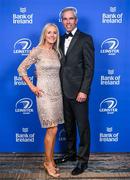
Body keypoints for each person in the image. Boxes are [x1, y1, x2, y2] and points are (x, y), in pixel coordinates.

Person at [17, 23, 64, 178]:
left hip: (57, 94)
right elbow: (21, 68)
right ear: (44, 34)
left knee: (53, 128)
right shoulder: (37, 50)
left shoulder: (56, 52)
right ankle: (49, 163)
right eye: (49, 32)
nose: (52, 35)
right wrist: (32, 87)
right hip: (44, 94)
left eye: (55, 33)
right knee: (52, 129)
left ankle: (47, 160)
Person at [55, 7, 94, 175]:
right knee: (69, 126)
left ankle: (82, 161)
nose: (68, 21)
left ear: (76, 20)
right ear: (62, 21)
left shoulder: (85, 39)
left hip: (79, 93)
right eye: (65, 19)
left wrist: (84, 90)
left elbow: (89, 68)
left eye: (71, 18)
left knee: (82, 127)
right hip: (62, 92)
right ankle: (70, 154)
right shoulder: (59, 39)